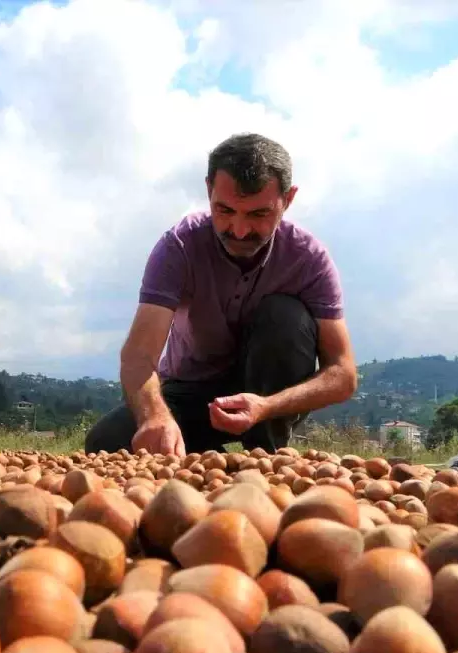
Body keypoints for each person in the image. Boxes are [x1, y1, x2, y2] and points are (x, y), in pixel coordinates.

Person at [85, 133, 358, 457]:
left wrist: (266, 406)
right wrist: (155, 418)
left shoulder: (308, 258)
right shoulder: (180, 247)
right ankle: (211, 457)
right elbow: (139, 355)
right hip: (189, 391)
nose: (239, 230)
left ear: (288, 199)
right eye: (224, 210)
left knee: (286, 316)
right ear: (208, 190)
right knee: (106, 442)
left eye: (258, 214)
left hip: (266, 394)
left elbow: (343, 374)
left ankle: (265, 455)